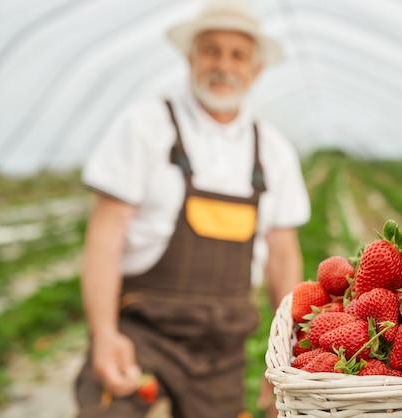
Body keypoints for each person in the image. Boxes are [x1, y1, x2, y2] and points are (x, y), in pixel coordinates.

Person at [73, 1, 310, 417]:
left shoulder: (273, 152)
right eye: (210, 50)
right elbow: (105, 238)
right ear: (190, 58)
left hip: (222, 348)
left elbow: (283, 255)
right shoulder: (145, 126)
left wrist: (290, 353)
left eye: (238, 55)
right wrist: (105, 334)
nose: (223, 65)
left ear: (255, 69)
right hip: (142, 332)